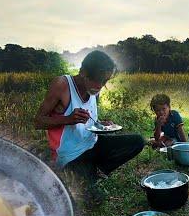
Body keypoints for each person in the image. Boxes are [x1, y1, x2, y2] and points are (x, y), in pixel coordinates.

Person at [34, 50, 145, 182]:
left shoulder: (94, 90)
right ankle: (87, 173)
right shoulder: (62, 85)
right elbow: (38, 122)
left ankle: (99, 170)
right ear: (83, 72)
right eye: (98, 80)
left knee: (137, 141)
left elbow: (91, 121)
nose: (100, 86)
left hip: (93, 144)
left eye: (105, 81)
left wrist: (100, 124)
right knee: (90, 195)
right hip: (71, 155)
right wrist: (68, 119)